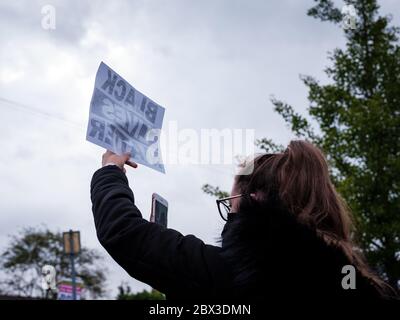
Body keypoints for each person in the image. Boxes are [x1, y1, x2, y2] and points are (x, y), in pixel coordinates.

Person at [90, 140, 397, 300]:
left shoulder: (231, 275)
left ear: (255, 204)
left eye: (230, 208)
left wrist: (110, 171)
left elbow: (124, 233)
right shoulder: (364, 284)